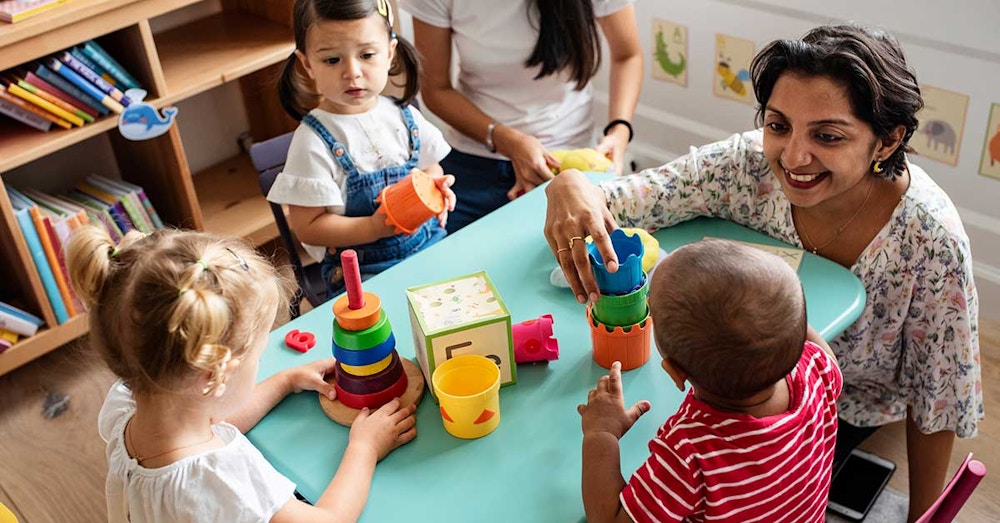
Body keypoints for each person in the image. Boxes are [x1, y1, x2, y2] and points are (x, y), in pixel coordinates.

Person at [546, 24, 981, 521]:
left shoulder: (931, 238)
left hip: (846, 409)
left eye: (828, 135)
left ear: (888, 139)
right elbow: (625, 200)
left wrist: (925, 516)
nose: (793, 157)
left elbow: (938, 396)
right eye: (778, 125)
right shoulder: (744, 166)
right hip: (772, 390)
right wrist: (571, 183)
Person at [67, 227, 417, 522]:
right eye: (258, 356)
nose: (262, 364)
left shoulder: (129, 404)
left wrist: (284, 381)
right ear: (215, 375)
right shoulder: (221, 480)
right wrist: (364, 447)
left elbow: (213, 421)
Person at [579, 239, 842, 522]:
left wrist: (601, 433)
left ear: (676, 373)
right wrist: (774, 310)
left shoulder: (690, 451)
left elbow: (609, 519)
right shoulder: (819, 370)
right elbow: (797, 331)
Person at [400, 0, 643, 233]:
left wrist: (619, 130)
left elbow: (628, 55)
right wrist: (505, 139)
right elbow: (435, 89)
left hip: (567, 161)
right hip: (474, 160)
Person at [271, 0, 457, 297]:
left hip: (428, 243)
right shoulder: (312, 142)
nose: (352, 72)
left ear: (390, 53)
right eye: (332, 60)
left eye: (367, 55)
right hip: (363, 272)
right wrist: (373, 227)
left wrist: (435, 187)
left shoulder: (403, 115)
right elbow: (309, 227)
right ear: (307, 64)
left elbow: (430, 166)